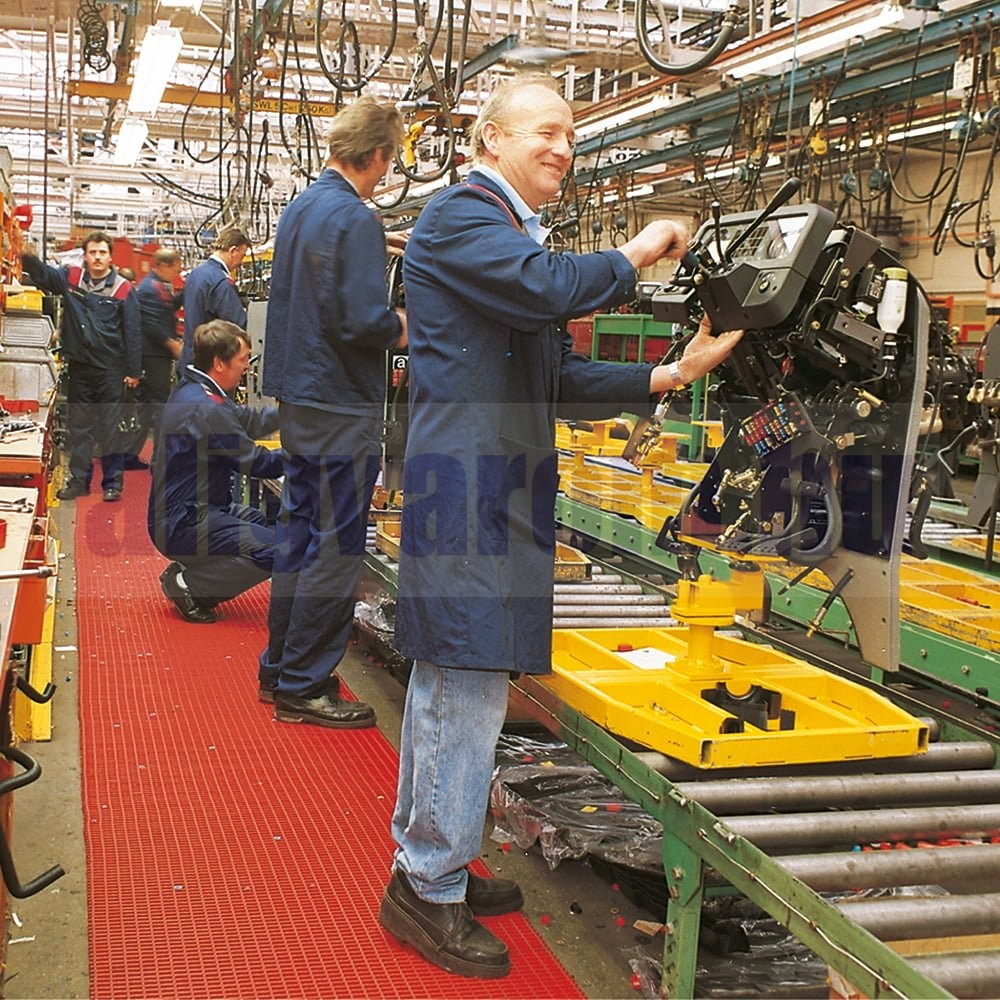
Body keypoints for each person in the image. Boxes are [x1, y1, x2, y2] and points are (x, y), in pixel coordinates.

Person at [379, 75, 744, 979]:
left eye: (572, 137)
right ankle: (425, 888)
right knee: (463, 686)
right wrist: (637, 250)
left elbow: (558, 377)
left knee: (454, 682)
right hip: (470, 489)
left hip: (493, 485)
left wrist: (670, 375)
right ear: (490, 141)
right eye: (546, 131)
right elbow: (548, 289)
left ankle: (429, 861)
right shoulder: (463, 218)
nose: (563, 148)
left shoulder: (507, 241)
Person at [257, 95, 407, 728]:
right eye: (390, 160)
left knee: (300, 534)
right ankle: (305, 685)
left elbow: (322, 278)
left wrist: (372, 244)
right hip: (341, 403)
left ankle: (279, 669)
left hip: (300, 398)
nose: (388, 171)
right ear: (377, 154)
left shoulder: (303, 207)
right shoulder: (356, 219)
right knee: (336, 547)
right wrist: (410, 325)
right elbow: (364, 322)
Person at [148, 319, 284, 624]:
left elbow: (244, 420)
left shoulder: (195, 389)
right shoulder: (205, 407)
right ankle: (190, 587)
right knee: (279, 549)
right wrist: (307, 454)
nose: (247, 367)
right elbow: (255, 463)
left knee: (258, 521)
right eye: (242, 359)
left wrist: (291, 415)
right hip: (182, 522)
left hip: (186, 510)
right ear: (219, 363)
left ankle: (190, 570)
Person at [22, 232, 141, 502]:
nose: (97, 257)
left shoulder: (123, 289)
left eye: (102, 252)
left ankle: (112, 484)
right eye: (92, 252)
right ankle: (78, 481)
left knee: (110, 428)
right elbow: (45, 276)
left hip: (110, 369)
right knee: (80, 427)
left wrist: (134, 371)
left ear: (110, 257)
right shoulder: (72, 278)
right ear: (85, 256)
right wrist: (26, 255)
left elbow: (133, 331)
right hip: (80, 366)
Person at [123, 248, 184, 469]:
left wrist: (184, 294)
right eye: (176, 268)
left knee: (148, 407)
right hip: (153, 356)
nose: (177, 273)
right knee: (159, 406)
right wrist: (171, 343)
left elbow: (167, 308)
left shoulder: (158, 286)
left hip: (155, 355)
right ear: (164, 266)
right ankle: (159, 458)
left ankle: (130, 454)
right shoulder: (150, 288)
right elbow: (150, 323)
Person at [178, 227, 250, 374]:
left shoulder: (195, 274)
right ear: (233, 251)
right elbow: (237, 325)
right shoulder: (220, 281)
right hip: (212, 365)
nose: (240, 263)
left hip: (189, 358)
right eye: (242, 256)